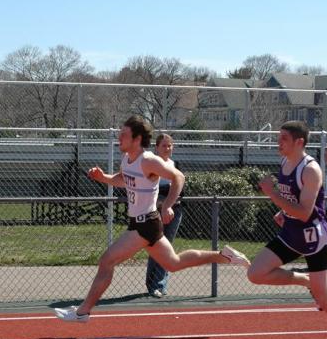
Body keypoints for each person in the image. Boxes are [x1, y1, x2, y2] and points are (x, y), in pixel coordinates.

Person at [55, 115, 250, 322]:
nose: (119, 137)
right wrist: (103, 177)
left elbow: (178, 177)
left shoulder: (148, 160)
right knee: (174, 263)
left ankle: (83, 312)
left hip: (144, 224)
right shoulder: (128, 159)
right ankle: (225, 256)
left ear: (137, 138)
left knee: (107, 261)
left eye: (124, 134)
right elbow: (123, 179)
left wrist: (167, 205)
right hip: (142, 223)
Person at [247, 121, 327, 339]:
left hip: (313, 239)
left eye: (284, 139)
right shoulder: (285, 162)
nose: (278, 143)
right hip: (291, 233)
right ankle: (305, 281)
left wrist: (272, 195)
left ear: (299, 142)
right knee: (255, 273)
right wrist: (283, 211)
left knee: (324, 297)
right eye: (278, 137)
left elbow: (304, 211)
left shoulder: (310, 170)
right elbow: (293, 203)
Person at [145, 133, 183, 298]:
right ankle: (152, 283)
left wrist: (172, 200)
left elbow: (179, 187)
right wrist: (164, 202)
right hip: (155, 212)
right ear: (156, 147)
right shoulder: (151, 164)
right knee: (156, 247)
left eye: (170, 146)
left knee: (167, 248)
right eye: (164, 146)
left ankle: (159, 285)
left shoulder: (175, 165)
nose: (167, 149)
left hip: (175, 211)